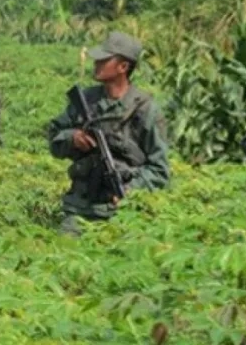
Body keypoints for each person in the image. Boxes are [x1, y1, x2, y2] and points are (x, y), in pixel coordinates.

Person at [47, 31, 171, 236]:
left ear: (123, 67)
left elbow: (160, 170)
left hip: (123, 212)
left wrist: (132, 189)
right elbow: (54, 138)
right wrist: (73, 138)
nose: (97, 63)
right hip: (79, 209)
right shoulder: (85, 100)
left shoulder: (146, 110)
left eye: (105, 60)